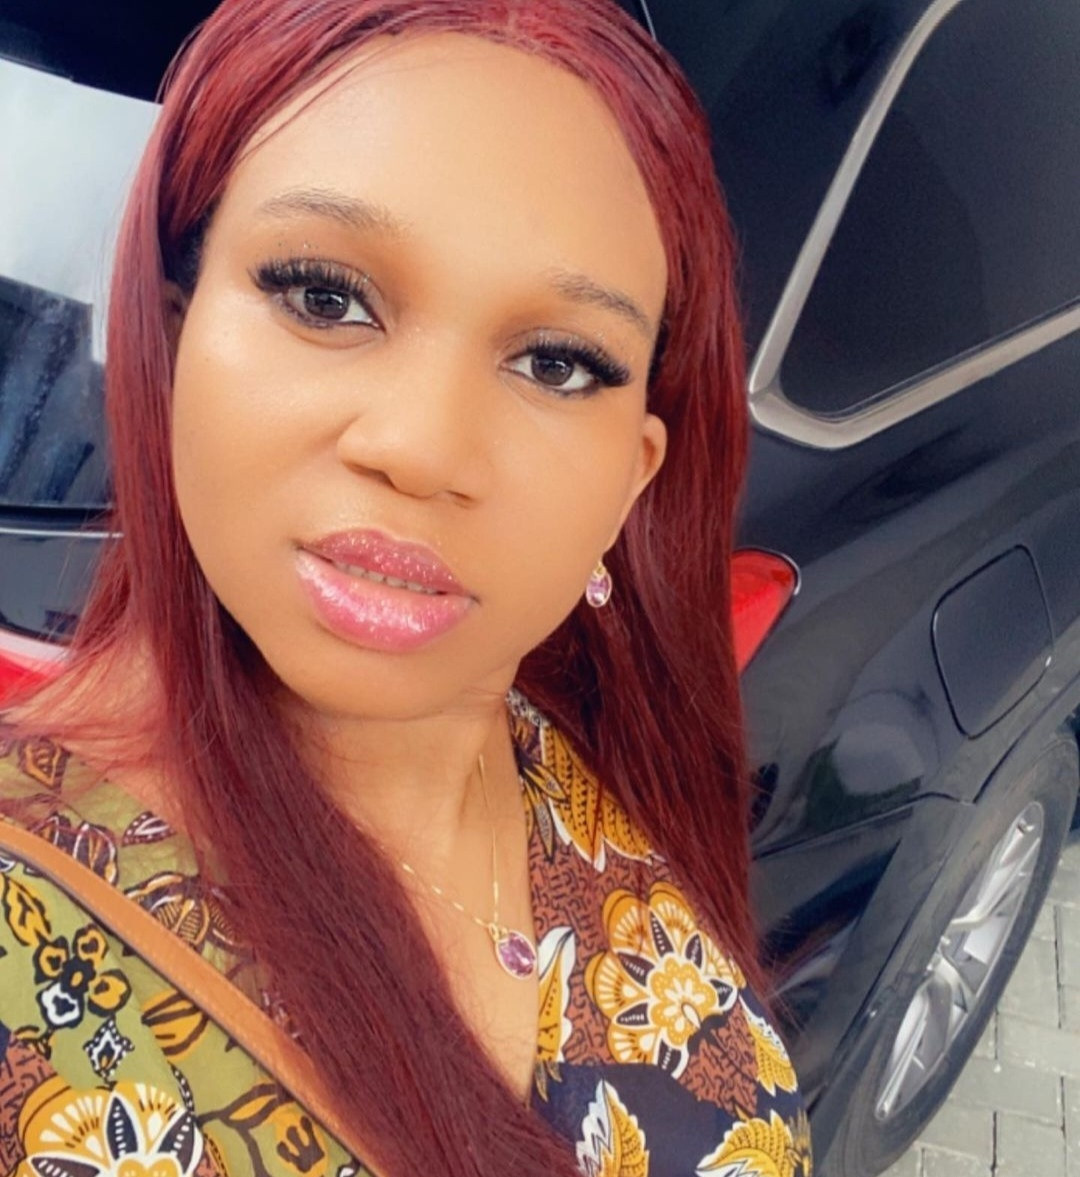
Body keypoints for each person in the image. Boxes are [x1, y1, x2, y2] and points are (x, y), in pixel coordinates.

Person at [0, 1, 811, 1174]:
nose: (425, 448)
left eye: (556, 362)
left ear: (630, 480)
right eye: (326, 297)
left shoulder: (593, 769)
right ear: (170, 346)